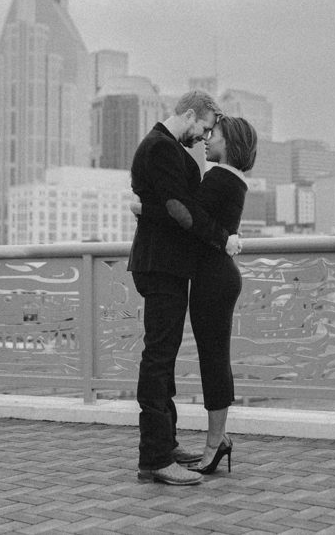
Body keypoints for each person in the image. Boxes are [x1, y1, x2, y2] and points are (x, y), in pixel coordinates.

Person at [133, 116, 258, 476]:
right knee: (213, 358)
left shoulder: (220, 178)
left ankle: (215, 442)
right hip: (215, 277)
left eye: (213, 134)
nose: (207, 139)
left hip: (212, 280)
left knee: (214, 360)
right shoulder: (232, 180)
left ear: (229, 143)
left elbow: (184, 215)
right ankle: (216, 440)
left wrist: (144, 208)